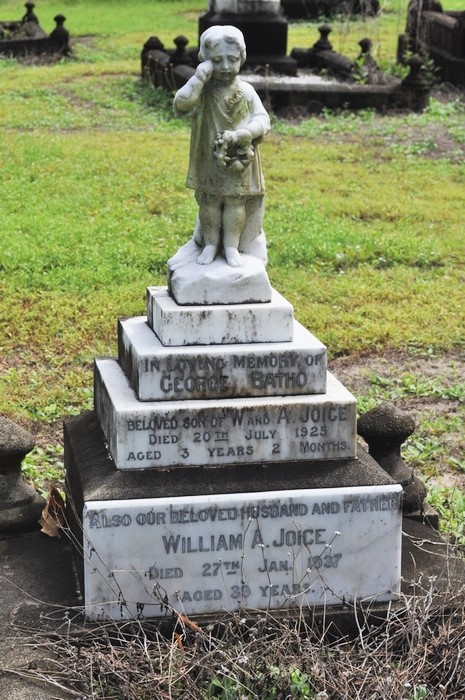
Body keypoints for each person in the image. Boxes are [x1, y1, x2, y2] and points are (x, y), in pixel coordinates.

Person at [173, 25, 270, 267]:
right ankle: (209, 244)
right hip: (209, 155)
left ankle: (231, 247)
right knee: (209, 201)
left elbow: (263, 119)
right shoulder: (203, 91)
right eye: (217, 60)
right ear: (205, 61)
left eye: (232, 59)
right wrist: (198, 79)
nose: (226, 66)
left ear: (242, 58)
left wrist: (247, 132)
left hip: (239, 159)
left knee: (236, 202)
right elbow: (181, 104)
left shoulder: (246, 91)